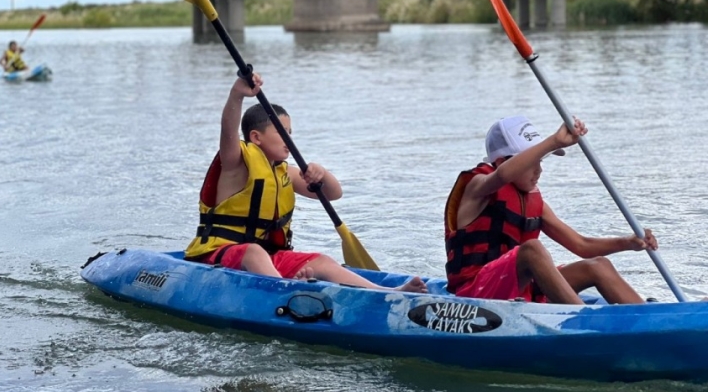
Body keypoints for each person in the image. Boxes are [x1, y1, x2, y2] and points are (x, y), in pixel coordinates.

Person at [184, 72, 426, 293]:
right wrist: (236, 95)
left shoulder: (285, 173)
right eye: (282, 132)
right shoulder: (235, 163)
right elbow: (228, 130)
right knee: (254, 251)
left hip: (269, 258)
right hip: (217, 253)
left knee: (321, 261)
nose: (289, 139)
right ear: (256, 137)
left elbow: (334, 193)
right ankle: (287, 290)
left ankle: (387, 293)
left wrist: (322, 174)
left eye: (291, 132)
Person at [443, 115, 657, 305]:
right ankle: (584, 321)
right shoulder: (477, 187)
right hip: (475, 295)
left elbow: (581, 245)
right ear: (500, 161)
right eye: (532, 161)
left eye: (541, 161)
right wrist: (553, 141)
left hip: (521, 290)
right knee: (531, 249)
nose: (539, 170)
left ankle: (646, 320)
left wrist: (628, 242)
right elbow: (501, 176)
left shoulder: (534, 203)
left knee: (598, 265)